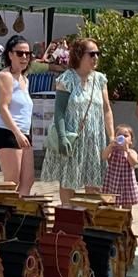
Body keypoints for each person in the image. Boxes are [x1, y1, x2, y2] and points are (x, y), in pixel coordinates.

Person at [42, 38, 114, 204]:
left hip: (95, 140)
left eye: (98, 53)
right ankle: (68, 217)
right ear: (79, 55)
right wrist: (61, 137)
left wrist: (111, 137)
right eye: (92, 54)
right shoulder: (67, 78)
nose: (96, 57)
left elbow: (106, 109)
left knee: (95, 183)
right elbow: (59, 110)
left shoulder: (100, 79)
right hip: (72, 138)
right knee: (68, 182)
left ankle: (90, 220)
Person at [0, 34, 37, 196]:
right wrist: (16, 133)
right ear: (10, 55)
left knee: (28, 180)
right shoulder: (5, 77)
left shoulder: (24, 79)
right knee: (12, 182)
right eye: (20, 53)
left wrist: (23, 133)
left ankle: (18, 214)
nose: (24, 57)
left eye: (28, 54)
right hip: (7, 132)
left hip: (23, 133)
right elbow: (3, 108)